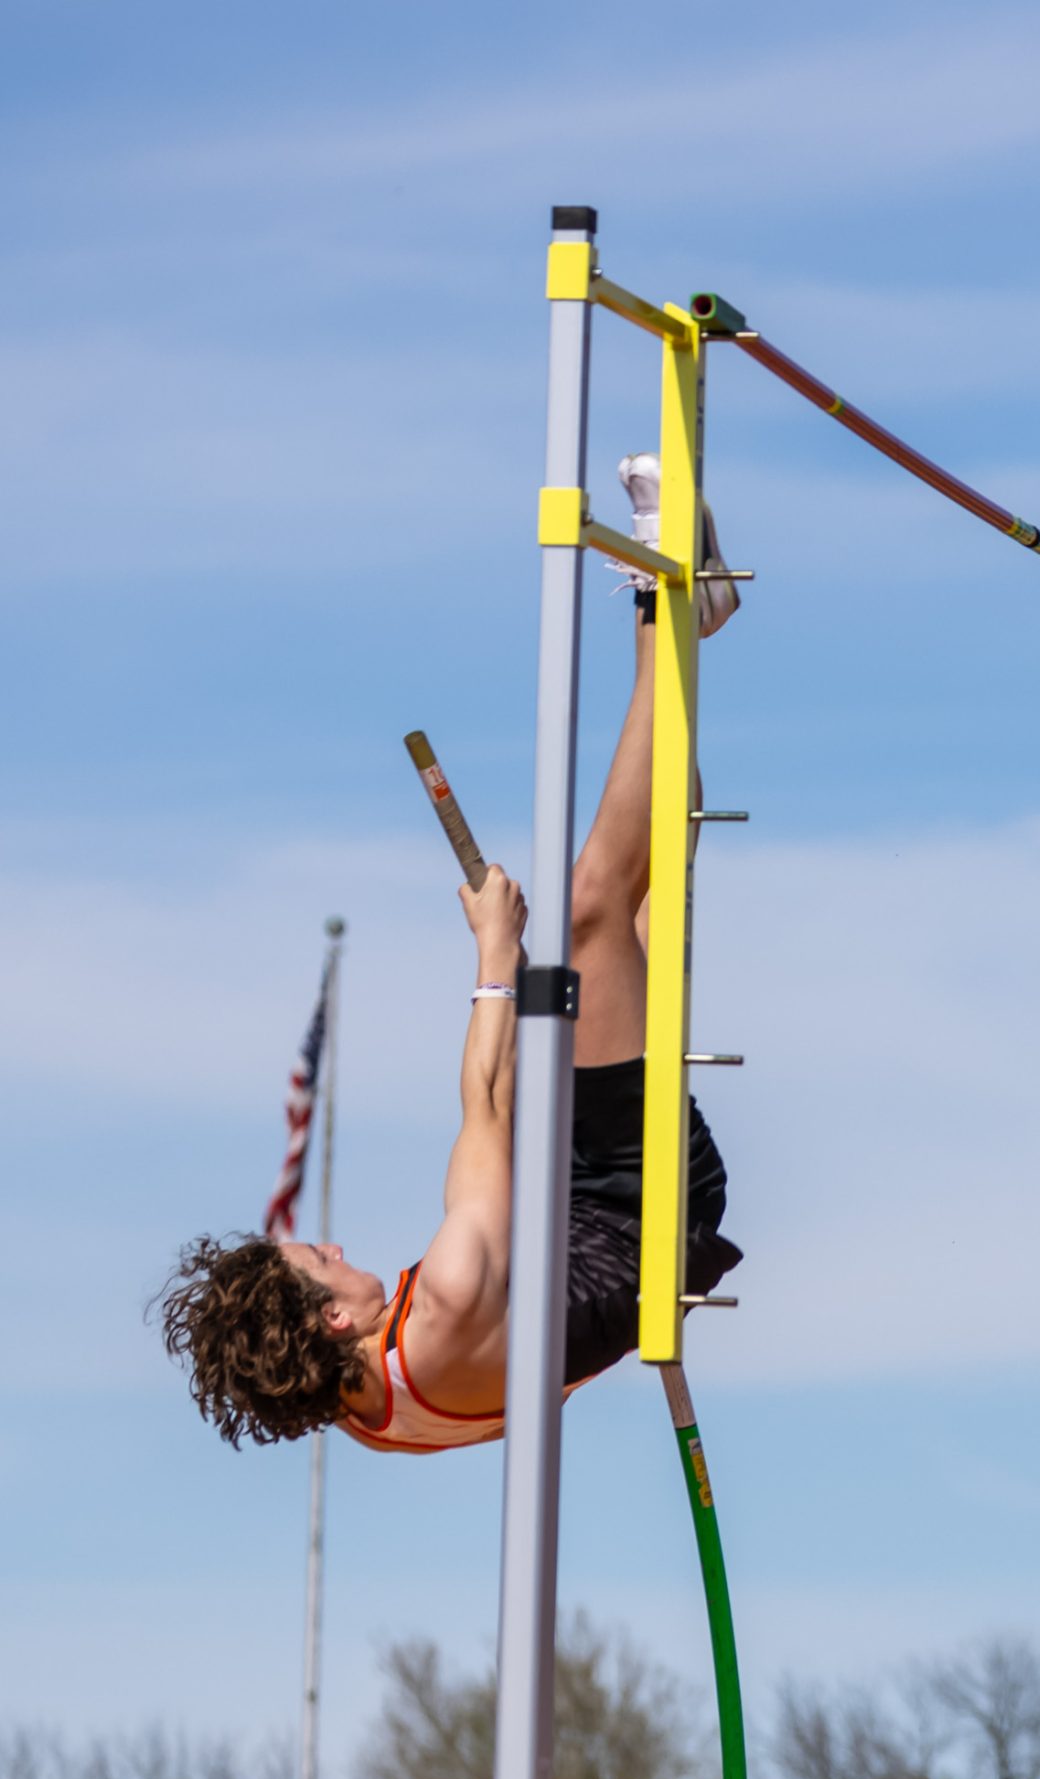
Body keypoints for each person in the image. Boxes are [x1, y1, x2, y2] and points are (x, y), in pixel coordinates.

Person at [160, 457, 742, 1457]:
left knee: (641, 889)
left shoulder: (366, 1419)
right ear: (333, 1318)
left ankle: (686, 651)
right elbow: (489, 1107)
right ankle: (675, 597)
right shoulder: (450, 1298)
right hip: (629, 1201)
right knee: (591, 909)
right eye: (321, 1261)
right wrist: (497, 953)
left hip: (586, 1230)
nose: (335, 1245)